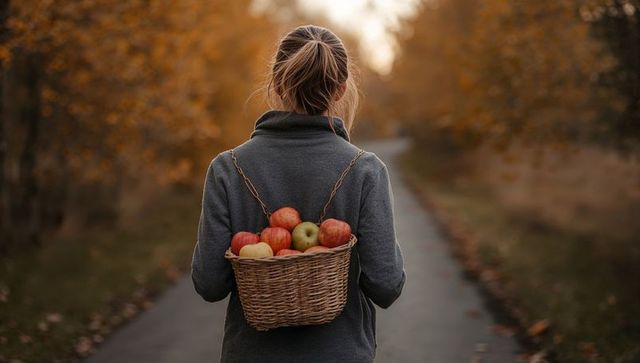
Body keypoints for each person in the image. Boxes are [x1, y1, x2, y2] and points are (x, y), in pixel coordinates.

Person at [191, 24, 406, 363]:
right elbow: (387, 286)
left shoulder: (227, 168)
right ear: (341, 90)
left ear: (275, 83)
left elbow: (209, 284)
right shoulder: (366, 171)